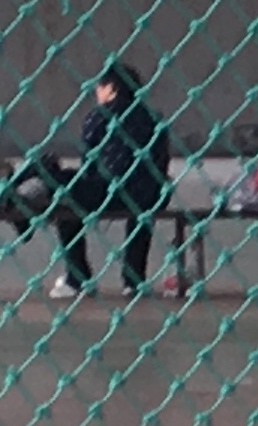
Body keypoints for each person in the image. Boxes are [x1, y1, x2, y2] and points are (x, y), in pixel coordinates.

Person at [41, 61, 174, 297]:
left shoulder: (99, 117)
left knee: (66, 201)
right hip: (149, 194)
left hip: (109, 191)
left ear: (112, 88)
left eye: (100, 86)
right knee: (141, 210)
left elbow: (89, 164)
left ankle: (77, 277)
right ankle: (133, 281)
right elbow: (161, 161)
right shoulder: (152, 118)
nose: (97, 91)